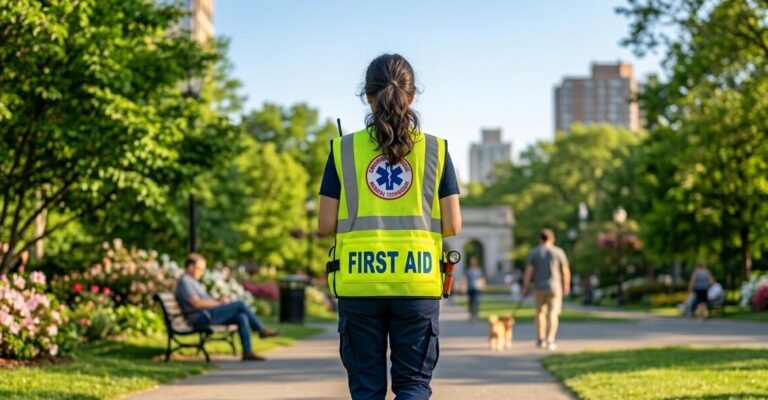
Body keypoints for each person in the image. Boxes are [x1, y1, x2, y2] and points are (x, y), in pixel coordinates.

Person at [317, 53, 462, 400]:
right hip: (417, 282)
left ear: (367, 96)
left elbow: (324, 225)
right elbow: (453, 224)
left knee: (366, 389)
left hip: (359, 283)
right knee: (413, 386)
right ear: (411, 96)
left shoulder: (343, 150)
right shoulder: (435, 150)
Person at [175, 253, 280, 361]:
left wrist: (218, 300)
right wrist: (219, 304)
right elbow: (196, 303)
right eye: (199, 269)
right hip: (200, 317)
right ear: (190, 267)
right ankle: (261, 329)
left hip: (207, 314)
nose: (201, 272)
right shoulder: (185, 281)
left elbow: (202, 301)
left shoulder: (193, 282)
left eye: (203, 269)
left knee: (241, 316)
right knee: (240, 304)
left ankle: (247, 352)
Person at [522, 229, 571, 351]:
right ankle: (550, 339)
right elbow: (565, 270)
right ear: (552, 239)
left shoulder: (535, 252)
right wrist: (566, 285)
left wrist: (526, 286)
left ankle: (540, 339)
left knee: (540, 313)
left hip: (539, 287)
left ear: (540, 239)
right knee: (553, 313)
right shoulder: (558, 252)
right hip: (555, 286)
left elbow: (529, 272)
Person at [465, 256, 486, 321]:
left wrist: (482, 285)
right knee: (471, 302)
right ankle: (471, 315)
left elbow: (481, 278)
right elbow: (465, 279)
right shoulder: (468, 270)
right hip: (470, 288)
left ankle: (476, 315)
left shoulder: (478, 270)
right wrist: (464, 286)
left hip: (477, 288)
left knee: (476, 302)